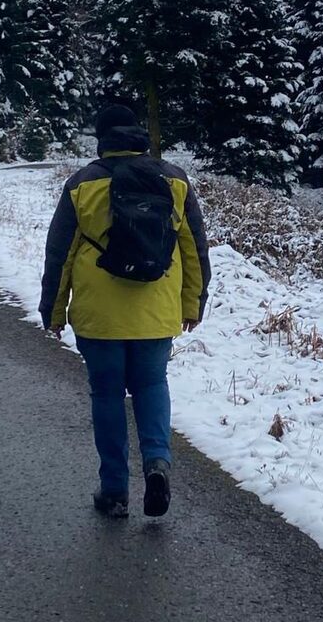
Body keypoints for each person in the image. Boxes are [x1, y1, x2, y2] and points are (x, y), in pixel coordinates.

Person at [39, 104, 211, 518]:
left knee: (108, 394)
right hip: (157, 308)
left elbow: (59, 253)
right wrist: (193, 302)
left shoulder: (81, 184)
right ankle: (156, 463)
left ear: (101, 139)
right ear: (138, 135)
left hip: (99, 314)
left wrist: (54, 307)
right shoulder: (174, 180)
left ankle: (115, 489)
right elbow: (194, 248)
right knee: (152, 385)